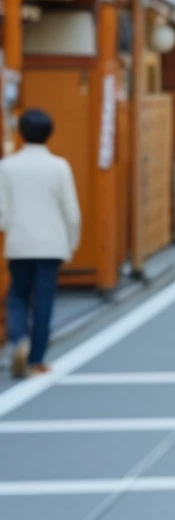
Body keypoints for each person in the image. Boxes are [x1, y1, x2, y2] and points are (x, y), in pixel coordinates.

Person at [0, 107, 81, 378]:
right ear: (50, 134)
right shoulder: (59, 167)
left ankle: (18, 339)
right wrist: (71, 243)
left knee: (17, 295)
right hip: (51, 243)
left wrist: (9, 226)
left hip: (19, 243)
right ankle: (37, 359)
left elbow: (2, 213)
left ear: (20, 133)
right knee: (44, 300)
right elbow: (71, 213)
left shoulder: (7, 166)